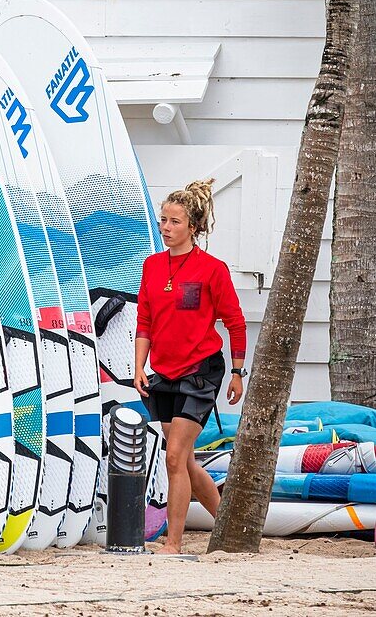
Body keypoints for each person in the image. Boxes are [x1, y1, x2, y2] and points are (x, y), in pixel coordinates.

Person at [133, 179, 247, 554]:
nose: (166, 227)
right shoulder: (151, 266)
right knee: (185, 459)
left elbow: (235, 322)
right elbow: (145, 322)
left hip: (201, 370)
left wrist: (237, 371)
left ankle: (175, 542)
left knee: (173, 456)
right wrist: (139, 367)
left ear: (193, 227)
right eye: (163, 220)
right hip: (163, 372)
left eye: (174, 222)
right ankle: (228, 532)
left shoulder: (212, 269)